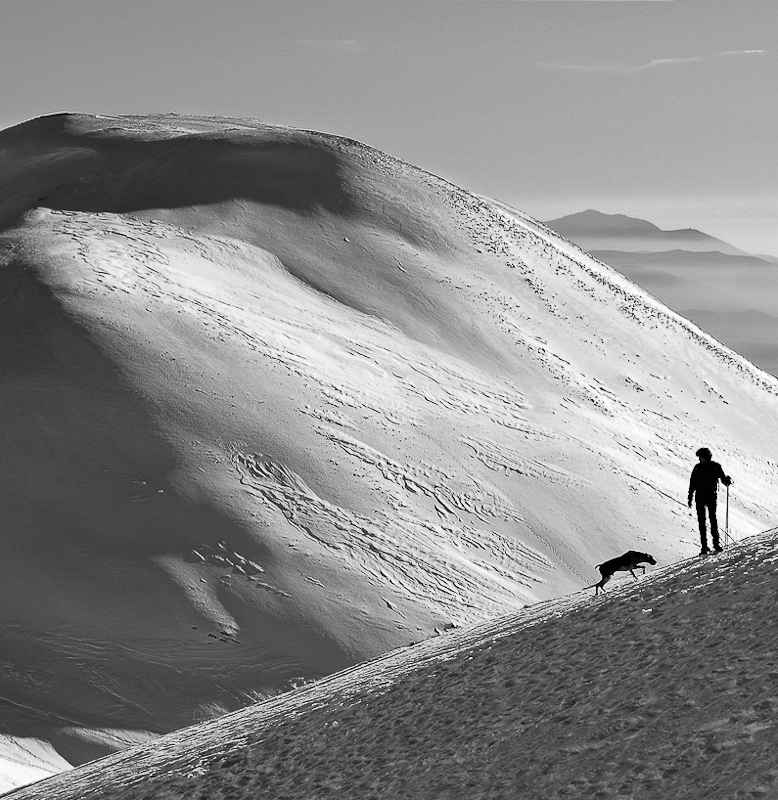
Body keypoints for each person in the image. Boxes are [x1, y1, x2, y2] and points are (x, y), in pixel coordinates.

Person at [687, 447, 732, 555]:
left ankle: (707, 546)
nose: (699, 459)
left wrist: (690, 497)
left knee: (704, 521)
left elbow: (692, 484)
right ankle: (712, 545)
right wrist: (727, 480)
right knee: (710, 520)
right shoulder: (714, 467)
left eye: (701, 457)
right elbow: (723, 479)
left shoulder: (698, 468)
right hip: (709, 496)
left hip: (702, 497)